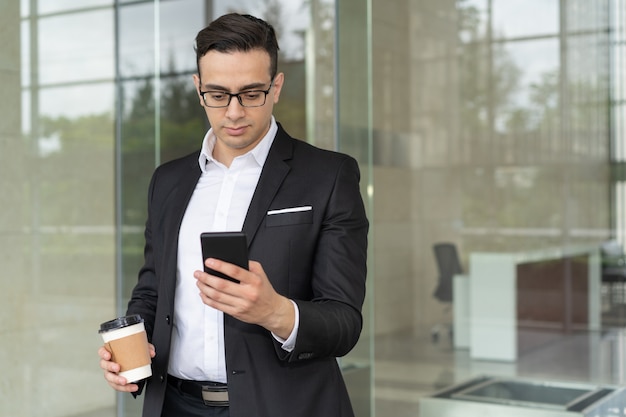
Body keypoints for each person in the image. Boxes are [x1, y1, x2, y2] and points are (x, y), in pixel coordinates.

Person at [98, 12, 368, 417]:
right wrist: (131, 351)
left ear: (276, 87)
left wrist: (275, 312)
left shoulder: (328, 176)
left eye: (252, 93)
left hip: (285, 406)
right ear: (198, 89)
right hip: (173, 405)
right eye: (219, 94)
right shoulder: (167, 181)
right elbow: (153, 289)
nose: (235, 112)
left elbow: (344, 320)